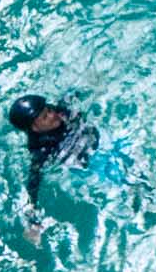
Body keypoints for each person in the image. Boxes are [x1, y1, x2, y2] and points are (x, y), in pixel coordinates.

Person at [7, 93, 100, 239]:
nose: (52, 115)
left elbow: (74, 96)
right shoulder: (42, 151)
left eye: (48, 110)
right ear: (35, 129)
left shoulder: (59, 111)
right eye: (45, 117)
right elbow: (32, 186)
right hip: (87, 163)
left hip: (94, 140)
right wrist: (34, 222)